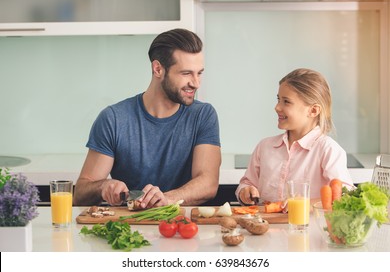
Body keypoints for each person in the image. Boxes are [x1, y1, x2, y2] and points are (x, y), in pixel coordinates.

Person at [73, 28, 221, 208]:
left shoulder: (203, 116)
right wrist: (103, 186)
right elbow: (81, 193)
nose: (196, 83)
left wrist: (167, 199)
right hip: (129, 228)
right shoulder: (113, 119)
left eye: (199, 73)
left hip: (184, 230)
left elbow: (208, 183)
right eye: (186, 73)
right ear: (158, 69)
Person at [236, 68, 353, 206]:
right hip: (264, 225)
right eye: (278, 99)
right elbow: (246, 183)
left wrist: (303, 205)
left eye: (286, 102)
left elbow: (343, 196)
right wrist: (245, 192)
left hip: (309, 226)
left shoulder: (328, 150)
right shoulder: (265, 147)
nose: (277, 107)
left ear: (313, 110)